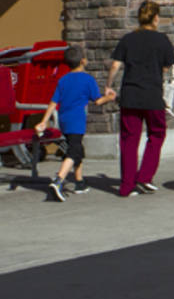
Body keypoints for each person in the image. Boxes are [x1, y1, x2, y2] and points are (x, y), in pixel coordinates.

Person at [108, 0, 174, 198]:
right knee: (156, 134)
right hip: (153, 95)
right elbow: (166, 67)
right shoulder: (162, 40)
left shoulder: (128, 39)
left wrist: (109, 86)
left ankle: (126, 185)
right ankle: (145, 176)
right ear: (156, 18)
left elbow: (115, 66)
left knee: (129, 140)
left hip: (130, 95)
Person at [35, 45, 115, 201]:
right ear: (83, 61)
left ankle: (79, 182)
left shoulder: (63, 80)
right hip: (77, 120)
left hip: (64, 120)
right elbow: (97, 101)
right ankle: (58, 180)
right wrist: (110, 97)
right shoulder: (88, 79)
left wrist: (44, 121)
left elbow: (53, 102)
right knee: (74, 150)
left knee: (77, 148)